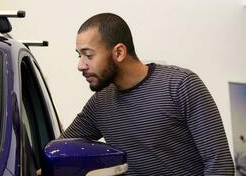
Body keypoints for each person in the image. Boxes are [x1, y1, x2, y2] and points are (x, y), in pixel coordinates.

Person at [59, 13, 235, 175]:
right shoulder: (100, 104)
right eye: (79, 56)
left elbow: (219, 164)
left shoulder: (180, 85)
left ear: (119, 52)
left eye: (88, 55)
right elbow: (59, 150)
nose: (80, 65)